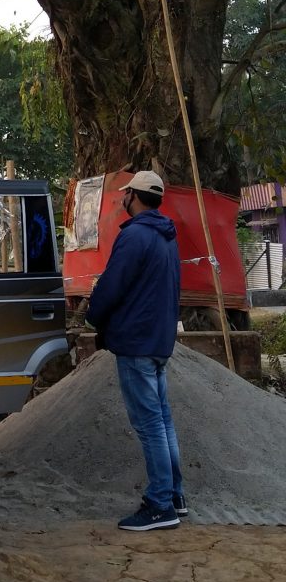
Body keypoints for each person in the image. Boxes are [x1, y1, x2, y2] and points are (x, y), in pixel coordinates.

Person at [86, 170, 186, 532]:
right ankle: (175, 495)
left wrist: (93, 316)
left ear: (136, 197)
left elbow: (112, 286)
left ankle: (160, 505)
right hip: (159, 342)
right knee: (162, 421)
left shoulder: (135, 237)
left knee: (149, 427)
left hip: (136, 343)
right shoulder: (166, 237)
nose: (122, 199)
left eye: (125, 194)